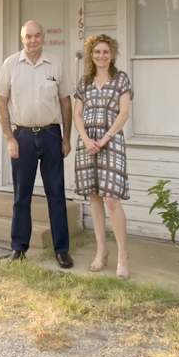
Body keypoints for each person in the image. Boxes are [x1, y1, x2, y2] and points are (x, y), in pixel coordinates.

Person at [0, 20, 74, 268]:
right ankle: (19, 248)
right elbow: (0, 103)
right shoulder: (10, 65)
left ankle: (61, 250)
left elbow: (66, 103)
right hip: (23, 137)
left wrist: (67, 138)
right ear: (22, 38)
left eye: (37, 36)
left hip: (51, 135)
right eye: (28, 36)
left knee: (56, 194)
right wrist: (9, 138)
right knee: (21, 196)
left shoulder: (55, 63)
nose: (33, 40)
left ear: (43, 37)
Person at [73, 34, 133, 279]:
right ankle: (101, 250)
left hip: (111, 141)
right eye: (97, 52)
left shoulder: (120, 80)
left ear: (112, 54)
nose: (101, 56)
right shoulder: (85, 82)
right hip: (88, 144)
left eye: (105, 51)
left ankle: (122, 256)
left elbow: (124, 113)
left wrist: (105, 138)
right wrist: (87, 140)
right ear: (91, 55)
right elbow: (78, 115)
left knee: (112, 200)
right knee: (95, 197)